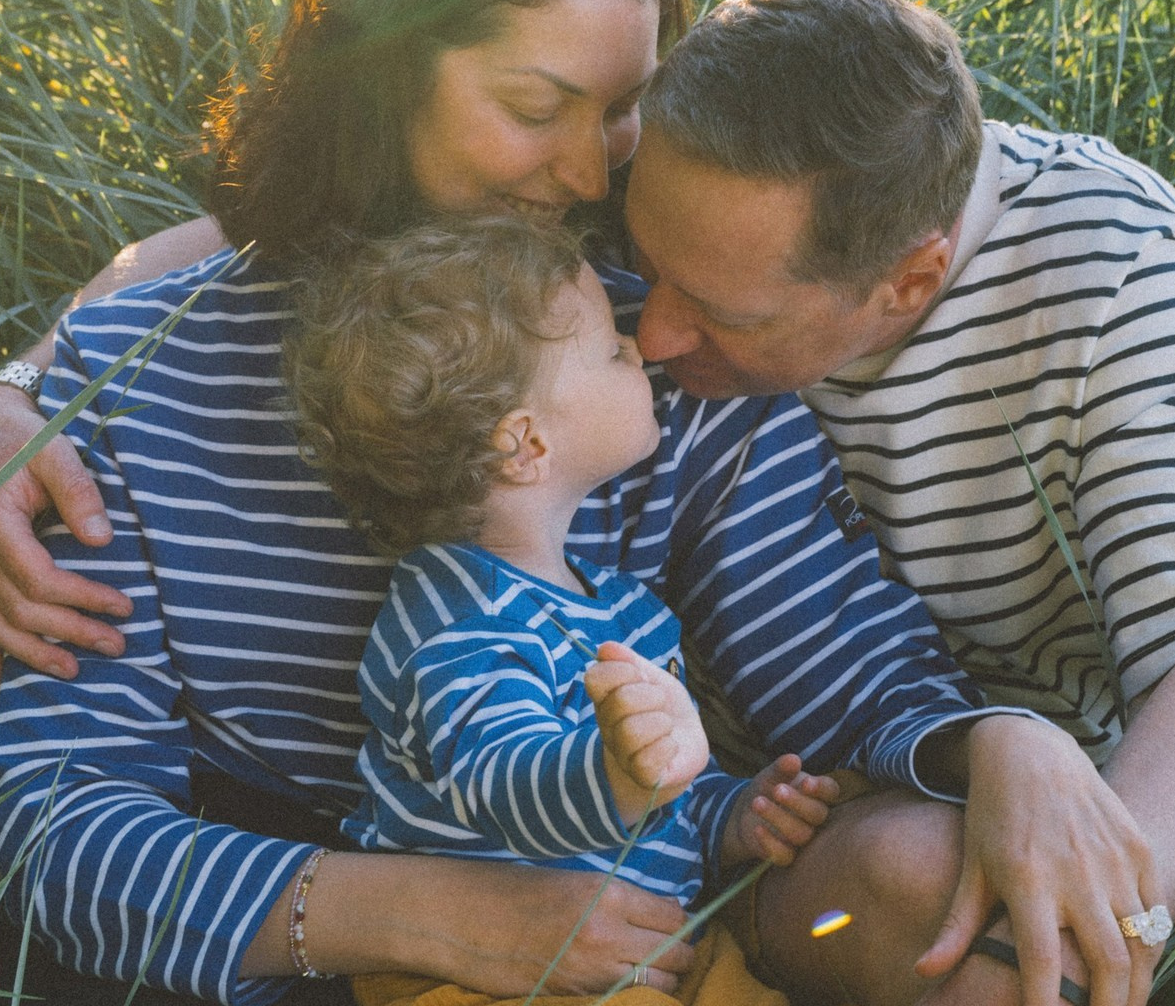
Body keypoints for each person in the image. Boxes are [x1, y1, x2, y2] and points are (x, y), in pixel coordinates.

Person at [0, 0, 1147, 1006]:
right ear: (380, 70)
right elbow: (63, 824)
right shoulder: (129, 385)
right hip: (289, 950)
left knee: (951, 894)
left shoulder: (645, 355)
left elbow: (844, 671)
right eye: (535, 109)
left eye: (620, 110)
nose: (589, 171)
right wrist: (434, 917)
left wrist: (999, 739)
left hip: (634, 937)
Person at [624, 0, 1175, 1006]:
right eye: (642, 260)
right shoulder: (688, 196)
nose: (652, 336)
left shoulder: (1113, 274)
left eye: (721, 313)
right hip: (769, 813)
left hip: (1056, 800)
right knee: (924, 884)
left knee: (1010, 938)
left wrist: (1097, 924)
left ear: (909, 280)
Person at [284, 214, 840, 1005]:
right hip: (480, 977)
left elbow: (662, 804)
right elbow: (503, 783)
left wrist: (733, 812)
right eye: (612, 349)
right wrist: (622, 772)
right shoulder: (451, 617)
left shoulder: (626, 611)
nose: (642, 349)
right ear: (525, 446)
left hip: (649, 948)